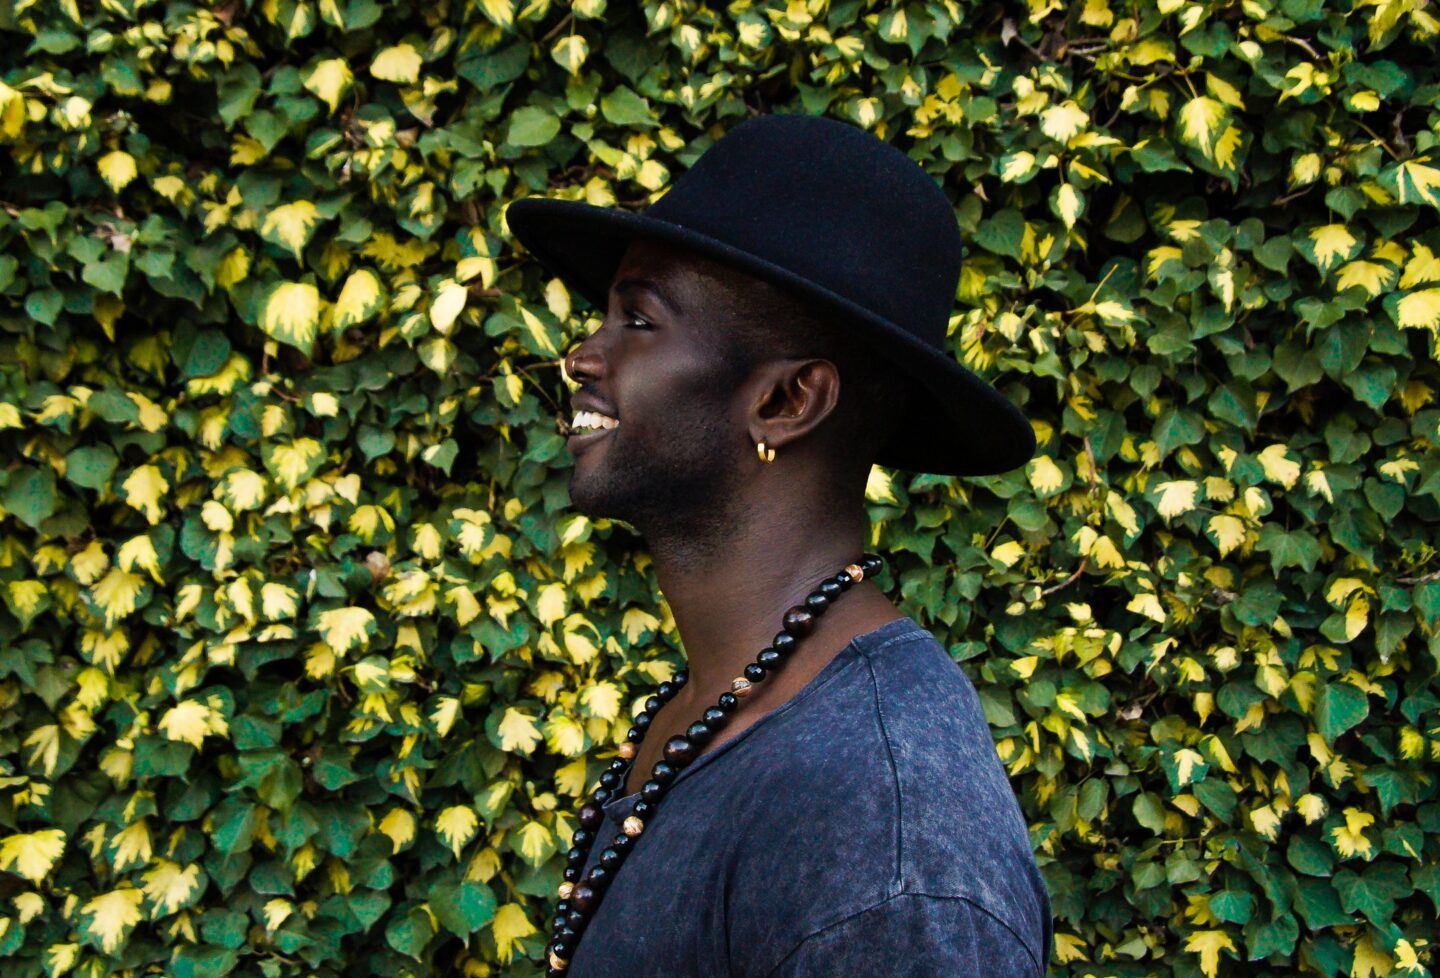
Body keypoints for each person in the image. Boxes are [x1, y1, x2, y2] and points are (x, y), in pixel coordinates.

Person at [506, 113, 1051, 978]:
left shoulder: (886, 839)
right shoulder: (717, 707)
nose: (581, 356)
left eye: (638, 321)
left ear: (788, 402)